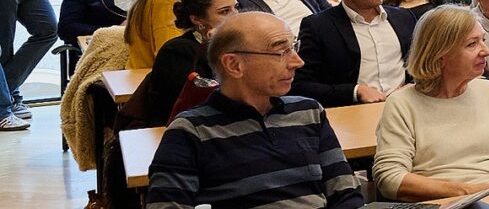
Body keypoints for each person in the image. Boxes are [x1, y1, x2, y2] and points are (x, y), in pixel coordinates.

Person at [143, 12, 363, 208]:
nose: (297, 62)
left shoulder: (308, 112)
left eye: (293, 48)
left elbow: (345, 194)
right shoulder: (191, 131)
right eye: (280, 52)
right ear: (234, 65)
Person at [372, 6, 489, 201]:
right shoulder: (402, 105)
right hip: (443, 202)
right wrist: (467, 191)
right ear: (441, 55)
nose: (486, 51)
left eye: (483, 40)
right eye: (472, 44)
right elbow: (390, 179)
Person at [294, 0, 419, 107]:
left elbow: (422, 65)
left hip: (404, 107)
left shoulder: (404, 17)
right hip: (354, 112)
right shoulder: (319, 26)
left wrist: (413, 84)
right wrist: (355, 91)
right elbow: (300, 85)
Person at [122, 0, 233, 129]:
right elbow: (204, 101)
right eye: (224, 11)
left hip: (220, 124)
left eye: (235, 8)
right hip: (182, 129)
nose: (235, 16)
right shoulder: (177, 51)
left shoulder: (235, 45)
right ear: (197, 20)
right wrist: (214, 47)